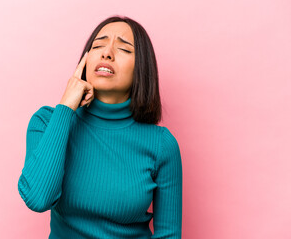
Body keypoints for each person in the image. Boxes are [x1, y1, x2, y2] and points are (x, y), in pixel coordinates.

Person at [17, 15, 183, 239]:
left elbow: (169, 235)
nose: (107, 53)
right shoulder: (47, 122)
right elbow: (38, 198)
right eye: (98, 45)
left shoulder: (161, 144)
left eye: (124, 49)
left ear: (141, 69)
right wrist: (66, 106)